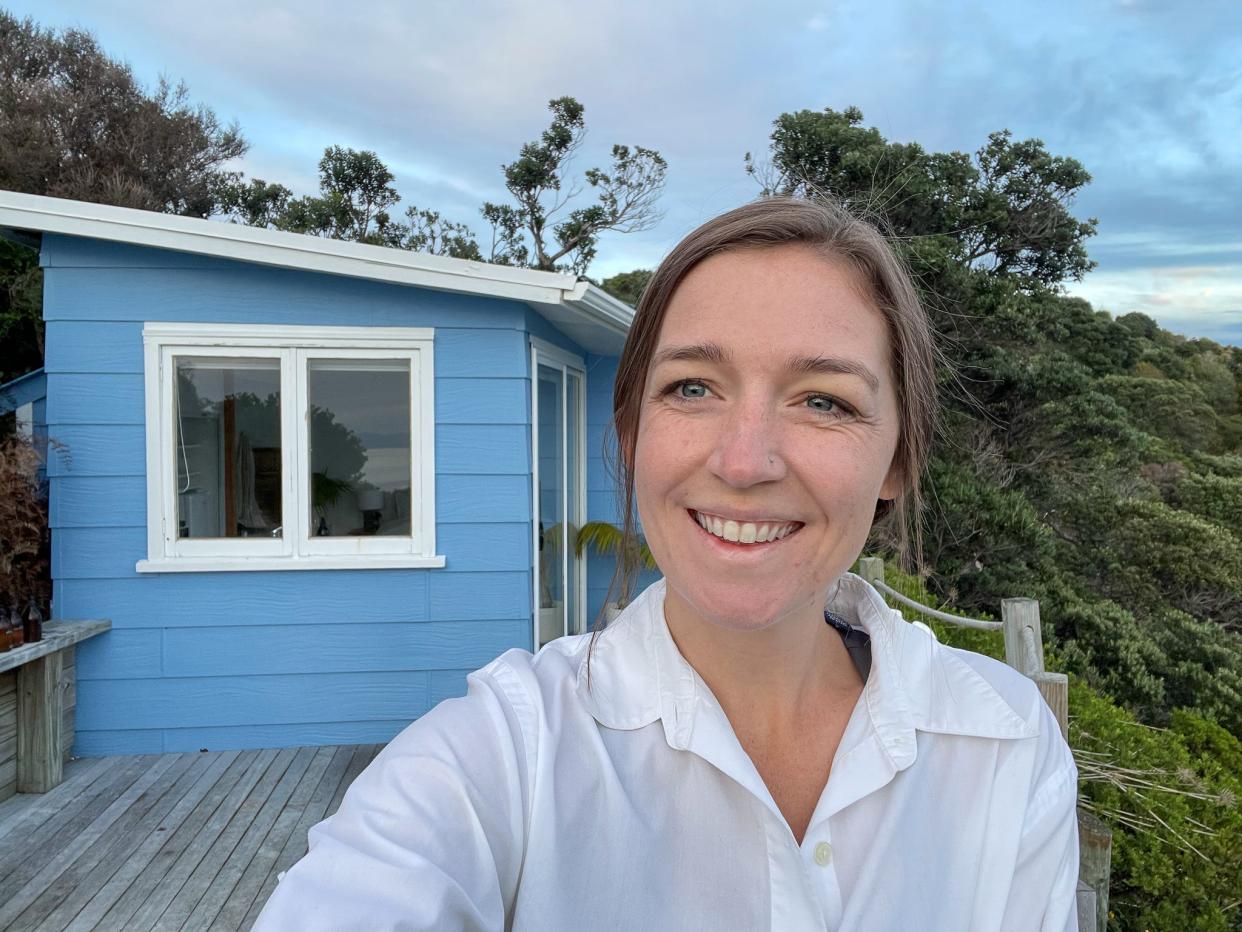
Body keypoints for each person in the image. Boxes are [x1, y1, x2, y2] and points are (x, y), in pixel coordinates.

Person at [253, 197, 1080, 931]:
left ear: (899, 459)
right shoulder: (500, 758)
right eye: (692, 388)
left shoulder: (1003, 748)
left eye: (824, 401)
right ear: (631, 435)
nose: (746, 460)